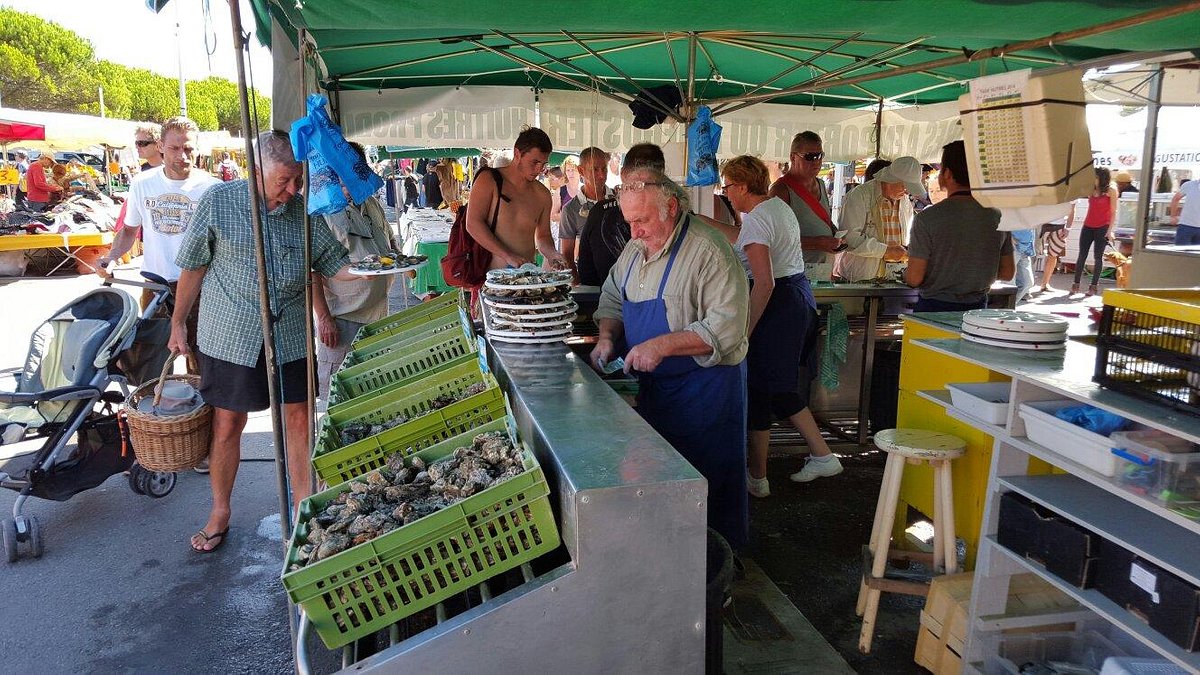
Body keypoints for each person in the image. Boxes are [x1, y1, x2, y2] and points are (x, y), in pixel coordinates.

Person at [169, 130, 367, 553]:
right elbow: (191, 267)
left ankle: (303, 507)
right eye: (284, 181)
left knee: (299, 418)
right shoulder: (219, 203)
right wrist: (177, 323)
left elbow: (334, 265)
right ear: (255, 171)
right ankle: (220, 511)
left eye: (298, 179)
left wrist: (377, 270)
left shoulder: (304, 212)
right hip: (231, 335)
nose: (293, 189)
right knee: (228, 424)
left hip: (290, 335)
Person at [590, 167, 750, 548]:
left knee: (708, 485)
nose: (634, 231)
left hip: (707, 393)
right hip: (657, 393)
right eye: (629, 222)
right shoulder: (634, 250)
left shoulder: (709, 251)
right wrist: (607, 337)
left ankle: (719, 567)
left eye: (642, 220)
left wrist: (660, 346)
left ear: (672, 208)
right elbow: (613, 298)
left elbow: (728, 328)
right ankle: (667, 560)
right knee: (662, 486)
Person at [715, 156, 842, 496]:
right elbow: (742, 238)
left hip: (778, 305)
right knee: (775, 387)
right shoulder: (776, 209)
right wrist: (702, 222)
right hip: (797, 299)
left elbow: (765, 283)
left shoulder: (758, 219)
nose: (726, 194)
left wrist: (745, 331)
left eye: (727, 187)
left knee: (765, 386)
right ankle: (794, 463)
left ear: (742, 186)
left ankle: (762, 476)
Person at [97, 116, 221, 372]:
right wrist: (111, 257)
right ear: (161, 146)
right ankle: (153, 409)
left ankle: (198, 411)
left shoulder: (213, 188)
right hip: (156, 284)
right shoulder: (142, 183)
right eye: (175, 148)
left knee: (200, 362)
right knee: (150, 361)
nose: (183, 156)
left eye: (188, 149)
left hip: (201, 287)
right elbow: (129, 230)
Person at [313, 143, 398, 401]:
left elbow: (389, 243)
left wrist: (401, 262)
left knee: (372, 394)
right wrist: (324, 318)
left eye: (359, 170)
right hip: (343, 319)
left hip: (378, 316)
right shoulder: (324, 211)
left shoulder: (370, 202)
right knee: (340, 397)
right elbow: (313, 271)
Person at [906, 141, 1014, 311]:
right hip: (977, 311)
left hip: (933, 311)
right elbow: (1007, 273)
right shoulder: (997, 216)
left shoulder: (928, 218)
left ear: (947, 174)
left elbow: (914, 277)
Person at [464, 127, 568, 273]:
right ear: (517, 153)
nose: (539, 169)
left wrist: (553, 254)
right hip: (491, 277)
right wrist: (507, 255)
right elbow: (473, 223)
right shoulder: (489, 180)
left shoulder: (542, 194)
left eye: (543, 164)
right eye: (534, 162)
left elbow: (543, 236)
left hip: (526, 275)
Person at [576, 143, 665, 287]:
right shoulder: (675, 212)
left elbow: (586, 270)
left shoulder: (599, 210)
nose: (635, 233)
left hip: (608, 296)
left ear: (623, 173)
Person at [835, 156, 925, 283]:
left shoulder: (905, 202)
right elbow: (849, 238)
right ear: (891, 180)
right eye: (904, 187)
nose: (906, 192)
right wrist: (885, 251)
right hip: (861, 278)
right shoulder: (860, 195)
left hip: (894, 277)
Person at [768, 131, 844, 263]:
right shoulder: (780, 190)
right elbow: (774, 238)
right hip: (793, 272)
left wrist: (836, 236)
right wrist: (817, 243)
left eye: (820, 156)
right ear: (793, 157)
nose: (817, 161)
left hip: (823, 269)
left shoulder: (820, 184)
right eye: (810, 157)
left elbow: (823, 221)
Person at [557, 146, 611, 281]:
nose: (601, 175)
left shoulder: (619, 199)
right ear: (581, 170)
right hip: (589, 278)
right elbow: (567, 254)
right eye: (595, 169)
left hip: (620, 279)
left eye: (604, 169)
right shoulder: (571, 209)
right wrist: (578, 284)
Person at [1070, 167, 1118, 297]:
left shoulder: (1111, 190)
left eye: (1095, 177)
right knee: (1082, 255)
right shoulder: (1091, 189)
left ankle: (1093, 286)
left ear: (1101, 178)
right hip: (1088, 225)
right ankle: (1076, 284)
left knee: (1098, 256)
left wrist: (1109, 231)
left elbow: (1113, 212)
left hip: (1102, 226)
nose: (1092, 179)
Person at [1034, 218, 1070, 295]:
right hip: (1042, 223)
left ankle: (1045, 283)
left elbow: (1072, 209)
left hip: (1059, 225)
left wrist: (1068, 228)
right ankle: (1028, 283)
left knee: (1053, 254)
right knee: (1034, 253)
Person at [1170, 178, 1200, 246]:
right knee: (1180, 254)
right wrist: (1173, 216)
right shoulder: (1189, 185)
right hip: (1185, 226)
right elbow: (1175, 199)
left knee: (1196, 256)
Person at [1010, 228, 1036, 305]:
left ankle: (1009, 306)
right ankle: (1006, 308)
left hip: (1026, 246)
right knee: (1009, 284)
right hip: (1013, 244)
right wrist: (1008, 237)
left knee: (1027, 283)